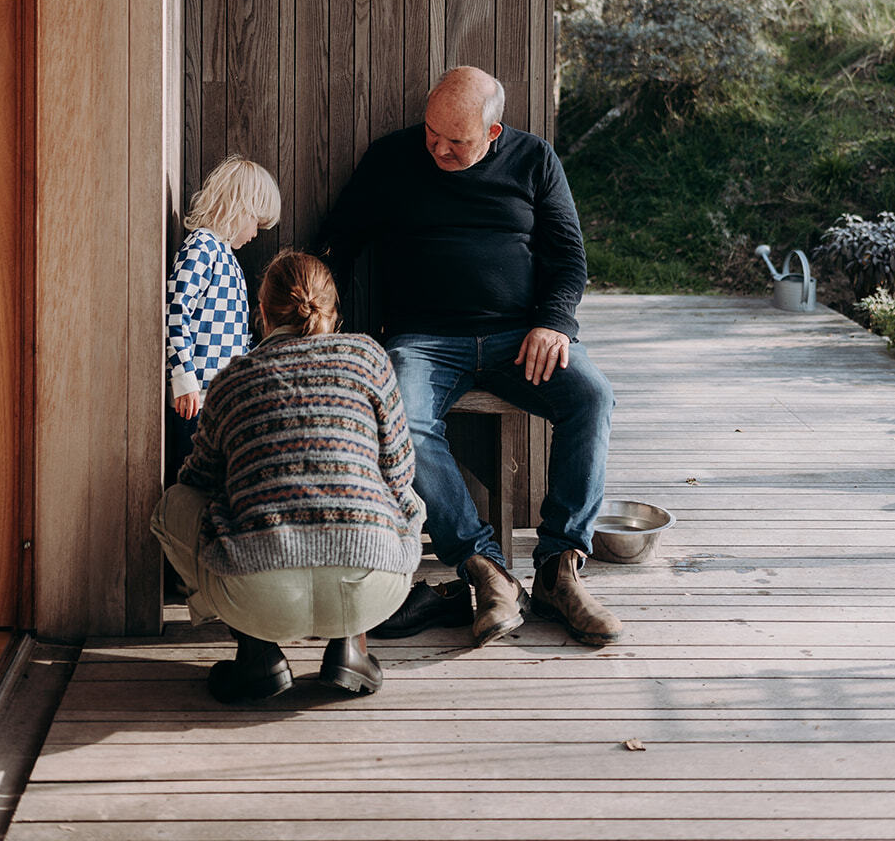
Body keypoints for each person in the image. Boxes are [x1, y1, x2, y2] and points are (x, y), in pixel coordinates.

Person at [321, 65, 621, 649]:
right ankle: (485, 568)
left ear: (493, 131)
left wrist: (553, 324)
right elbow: (338, 242)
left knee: (592, 396)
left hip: (520, 338)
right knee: (401, 415)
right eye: (431, 132)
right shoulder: (391, 158)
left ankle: (561, 567)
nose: (437, 148)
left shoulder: (534, 160)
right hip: (423, 339)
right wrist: (320, 326)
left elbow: (568, 260)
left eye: (455, 141)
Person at [151, 250, 423, 703]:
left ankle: (257, 654)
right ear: (334, 310)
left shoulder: (232, 379)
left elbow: (196, 481)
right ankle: (351, 648)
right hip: (371, 586)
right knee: (406, 497)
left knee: (172, 506)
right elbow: (399, 471)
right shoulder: (368, 358)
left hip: (257, 595)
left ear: (262, 311)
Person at [164, 154, 281, 481]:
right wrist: (183, 378)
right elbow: (176, 309)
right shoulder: (202, 247)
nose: (257, 233)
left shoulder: (227, 258)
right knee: (195, 479)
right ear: (240, 208)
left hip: (219, 402)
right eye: (256, 221)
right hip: (194, 400)